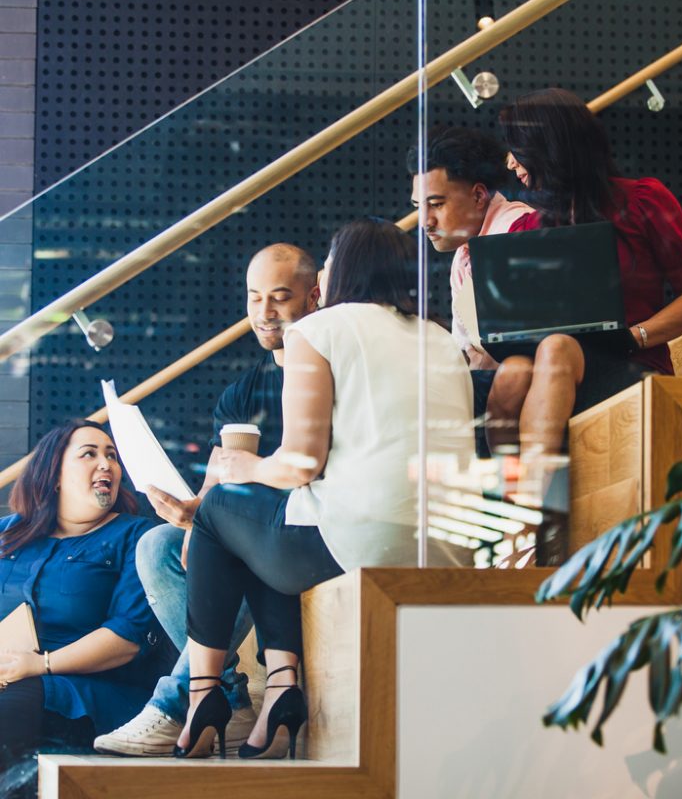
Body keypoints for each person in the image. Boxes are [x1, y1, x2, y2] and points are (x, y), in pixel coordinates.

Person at [174, 218, 473, 760]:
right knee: (277, 520)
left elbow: (301, 464)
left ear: (342, 271)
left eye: (330, 262)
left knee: (221, 512)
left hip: (365, 539)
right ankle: (281, 690)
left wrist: (244, 468)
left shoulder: (317, 330)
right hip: (449, 545)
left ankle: (203, 695)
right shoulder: (441, 337)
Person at [93, 243, 320, 756]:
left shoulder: (321, 374)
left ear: (315, 296)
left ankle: (180, 701)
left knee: (239, 545)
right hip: (250, 530)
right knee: (156, 545)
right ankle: (231, 695)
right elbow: (214, 493)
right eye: (254, 297)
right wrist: (189, 513)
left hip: (303, 530)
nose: (264, 312)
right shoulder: (241, 393)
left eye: (280, 298)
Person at [487, 87, 682, 467]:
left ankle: (530, 511)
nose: (510, 162)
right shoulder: (524, 229)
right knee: (512, 371)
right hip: (552, 369)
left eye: (517, 149)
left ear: (551, 148)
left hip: (633, 363)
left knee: (557, 347)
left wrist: (633, 337)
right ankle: (511, 504)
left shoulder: (643, 200)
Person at [0, 420, 167, 796]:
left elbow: (127, 637)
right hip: (11, 680)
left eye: (111, 455)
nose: (106, 463)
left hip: (90, 693)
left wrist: (40, 665)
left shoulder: (135, 537)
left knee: (19, 700)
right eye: (89, 454)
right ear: (54, 474)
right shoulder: (7, 534)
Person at [407, 126, 533, 455]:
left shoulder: (520, 229)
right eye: (419, 206)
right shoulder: (463, 256)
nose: (425, 221)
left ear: (478, 196)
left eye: (435, 204)